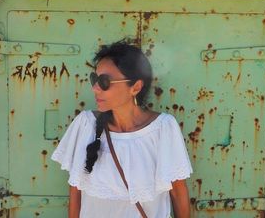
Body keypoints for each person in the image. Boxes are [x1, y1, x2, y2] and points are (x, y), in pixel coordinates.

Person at [51, 41, 192, 218]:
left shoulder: (163, 129)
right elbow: (75, 192)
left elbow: (178, 193)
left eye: (104, 82)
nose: (95, 88)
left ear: (135, 87)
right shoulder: (85, 125)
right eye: (94, 79)